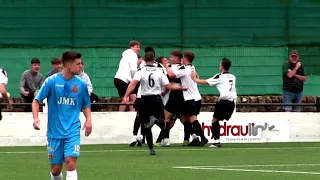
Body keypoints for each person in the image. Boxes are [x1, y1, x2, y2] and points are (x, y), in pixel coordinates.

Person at [32, 51, 92, 180]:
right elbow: (36, 100)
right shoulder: (51, 81)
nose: (81, 66)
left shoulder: (81, 84)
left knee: (70, 163)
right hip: (55, 132)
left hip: (73, 129)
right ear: (68, 65)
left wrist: (88, 120)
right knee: (55, 170)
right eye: (78, 64)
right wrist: (36, 118)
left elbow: (86, 104)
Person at [123, 52, 187, 155]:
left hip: (145, 99)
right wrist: (181, 87)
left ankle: (151, 148)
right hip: (156, 99)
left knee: (146, 125)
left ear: (145, 59)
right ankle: (157, 121)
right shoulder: (159, 71)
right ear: (154, 60)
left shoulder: (141, 70)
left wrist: (126, 95)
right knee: (163, 121)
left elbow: (133, 83)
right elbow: (169, 86)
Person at [191, 58, 237, 148]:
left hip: (224, 102)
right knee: (217, 120)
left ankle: (217, 142)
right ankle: (217, 141)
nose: (219, 66)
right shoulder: (233, 76)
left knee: (214, 121)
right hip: (232, 102)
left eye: (220, 64)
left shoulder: (220, 76)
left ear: (222, 66)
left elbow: (206, 82)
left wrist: (195, 79)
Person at [166, 51, 208, 147]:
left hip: (190, 98)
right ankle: (196, 137)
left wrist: (166, 66)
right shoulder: (192, 67)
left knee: (193, 119)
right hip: (196, 97)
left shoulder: (184, 69)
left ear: (185, 59)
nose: (181, 60)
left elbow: (171, 75)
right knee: (189, 119)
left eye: (183, 58)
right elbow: (196, 76)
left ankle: (203, 137)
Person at [114, 40, 141, 111]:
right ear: (131, 47)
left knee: (131, 98)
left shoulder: (126, 55)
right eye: (137, 47)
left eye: (139, 47)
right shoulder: (133, 55)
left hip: (118, 78)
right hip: (124, 79)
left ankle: (129, 114)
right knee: (128, 99)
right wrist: (134, 79)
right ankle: (124, 115)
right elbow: (133, 69)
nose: (138, 49)